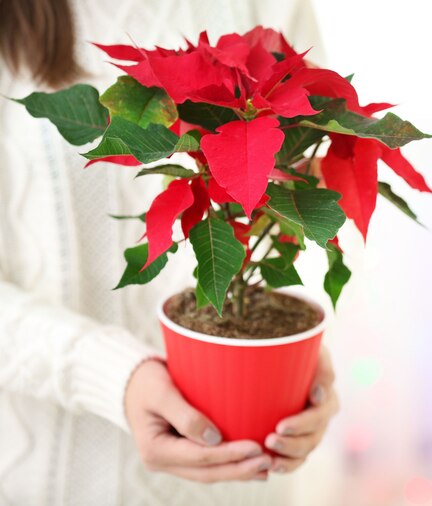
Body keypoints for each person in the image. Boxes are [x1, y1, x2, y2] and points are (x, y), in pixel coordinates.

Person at [0, 0, 339, 504]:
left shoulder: (272, 8)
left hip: (242, 479)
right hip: (52, 476)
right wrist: (116, 375)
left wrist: (298, 369)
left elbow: (287, 195)